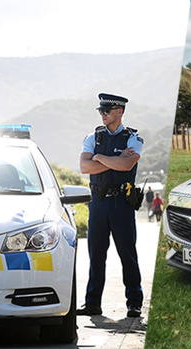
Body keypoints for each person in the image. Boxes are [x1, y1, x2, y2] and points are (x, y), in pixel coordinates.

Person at [78, 93, 144, 318]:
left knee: (127, 254)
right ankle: (92, 303)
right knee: (96, 254)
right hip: (97, 203)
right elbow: (84, 168)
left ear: (120, 111)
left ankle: (134, 302)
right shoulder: (93, 136)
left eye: (107, 111)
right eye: (101, 111)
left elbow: (127, 165)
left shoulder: (133, 138)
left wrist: (98, 158)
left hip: (121, 203)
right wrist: (110, 161)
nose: (103, 115)